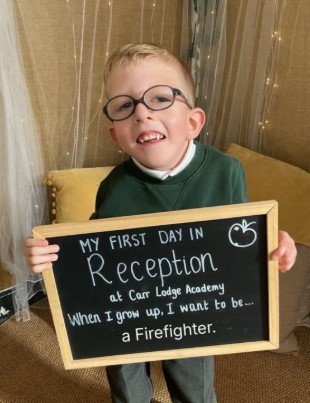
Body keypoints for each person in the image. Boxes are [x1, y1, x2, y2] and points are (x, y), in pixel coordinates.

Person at [24, 43, 297, 403]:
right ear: (116, 135)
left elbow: (239, 240)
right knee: (124, 378)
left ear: (193, 122)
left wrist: (273, 246)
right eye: (124, 105)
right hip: (126, 311)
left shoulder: (225, 171)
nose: (142, 114)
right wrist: (49, 256)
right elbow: (92, 254)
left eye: (159, 98)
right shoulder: (114, 186)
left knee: (195, 384)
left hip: (196, 309)